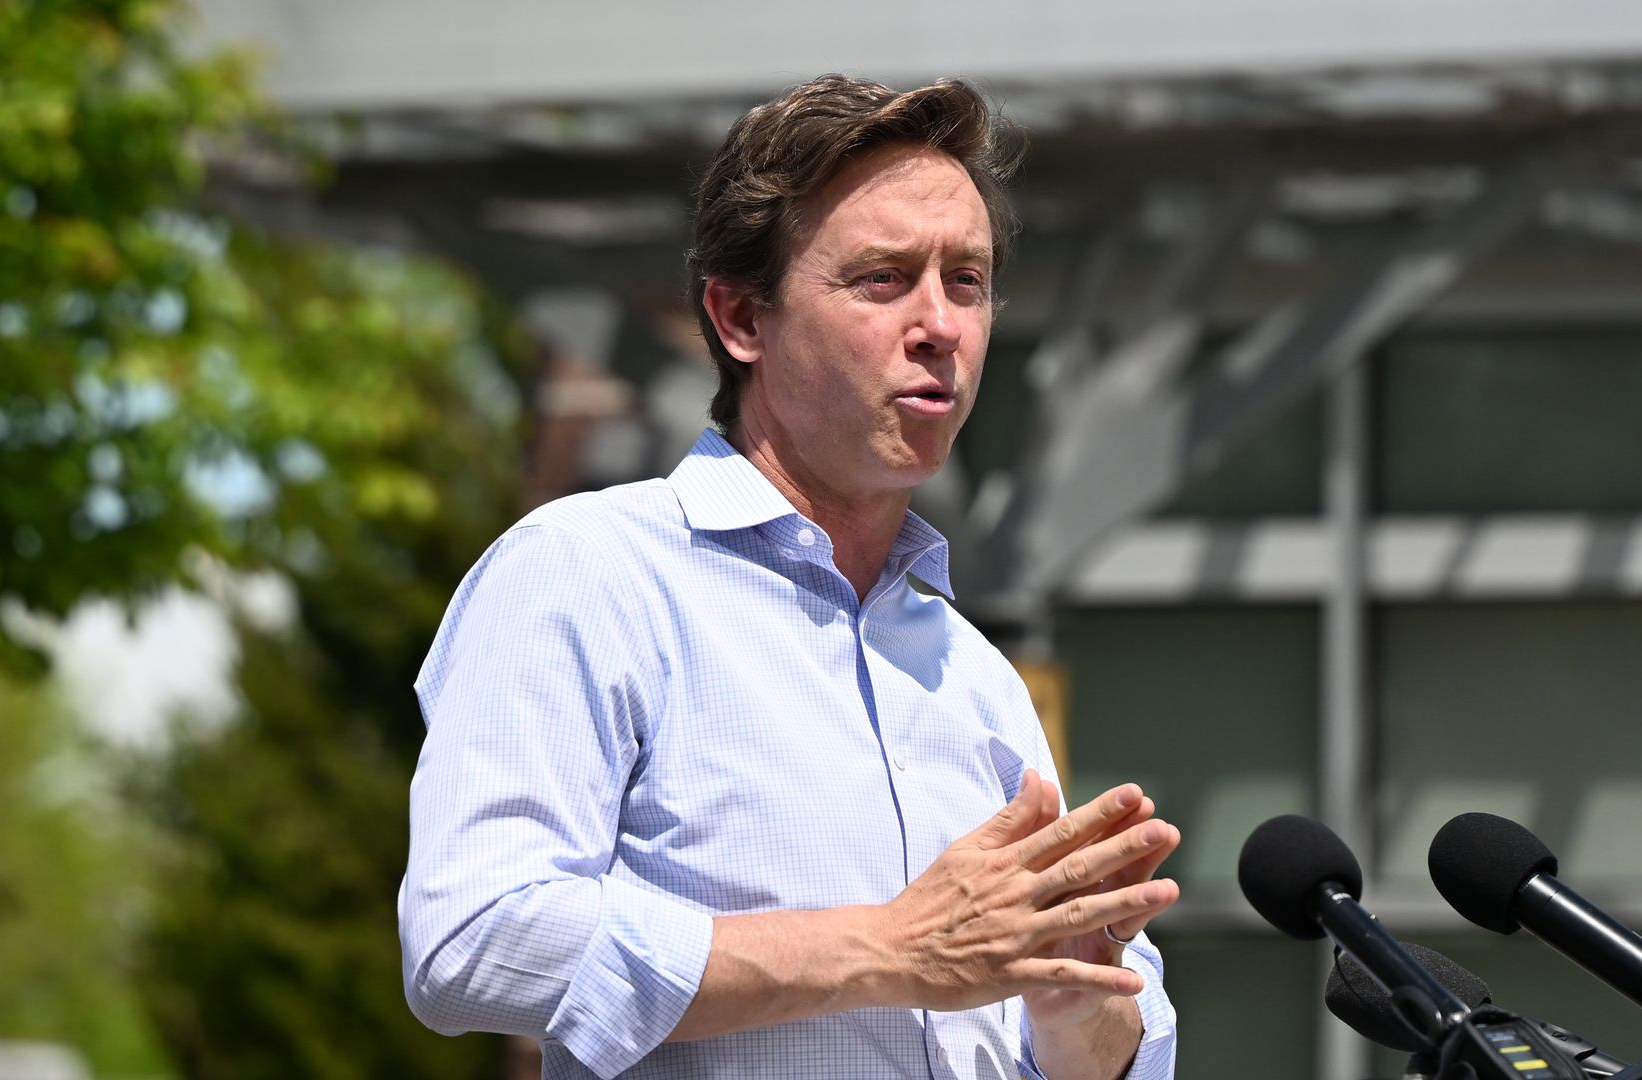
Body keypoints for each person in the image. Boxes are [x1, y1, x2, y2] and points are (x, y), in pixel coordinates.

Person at [399, 74, 1181, 1080]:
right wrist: (886, 949)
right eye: (883, 279)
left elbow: (1115, 1056)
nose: (941, 323)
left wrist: (1073, 1004)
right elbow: (474, 936)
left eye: (968, 281)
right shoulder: (587, 574)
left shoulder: (974, 674)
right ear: (740, 319)